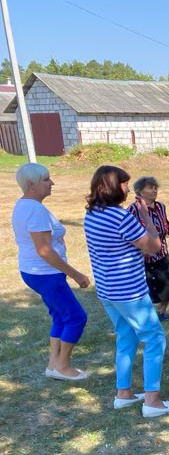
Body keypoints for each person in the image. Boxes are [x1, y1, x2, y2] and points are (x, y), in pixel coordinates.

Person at [84, 165, 169, 417]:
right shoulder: (120, 216)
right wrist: (146, 217)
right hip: (129, 293)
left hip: (107, 291)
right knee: (155, 339)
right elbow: (153, 246)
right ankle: (152, 401)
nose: (128, 188)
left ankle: (124, 394)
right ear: (113, 186)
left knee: (126, 337)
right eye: (124, 183)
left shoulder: (92, 213)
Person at [11, 163, 90, 381]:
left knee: (59, 315)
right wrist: (76, 274)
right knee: (76, 317)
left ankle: (53, 364)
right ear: (31, 184)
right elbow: (44, 250)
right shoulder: (34, 210)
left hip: (35, 271)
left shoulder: (25, 205)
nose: (51, 183)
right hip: (45, 273)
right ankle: (63, 367)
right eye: (46, 179)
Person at [128, 177, 169, 321]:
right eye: (150, 188)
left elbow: (165, 224)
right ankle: (146, 315)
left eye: (155, 188)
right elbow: (128, 232)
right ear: (140, 192)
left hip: (162, 252)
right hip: (143, 257)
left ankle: (162, 311)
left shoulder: (161, 207)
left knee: (168, 285)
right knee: (148, 288)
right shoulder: (133, 209)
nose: (154, 190)